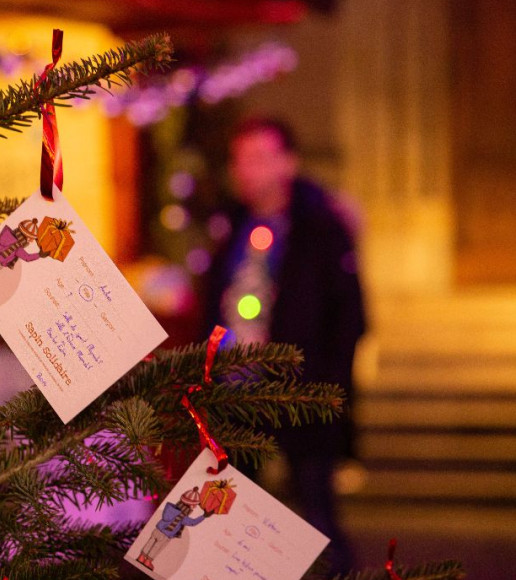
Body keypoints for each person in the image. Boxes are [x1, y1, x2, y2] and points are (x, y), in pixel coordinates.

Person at [203, 117, 366, 576]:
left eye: (258, 158)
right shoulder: (230, 224)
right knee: (230, 513)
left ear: (287, 163)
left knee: (317, 513)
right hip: (235, 395)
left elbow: (349, 317)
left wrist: (326, 392)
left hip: (302, 394)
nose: (246, 171)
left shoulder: (321, 229)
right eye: (240, 160)